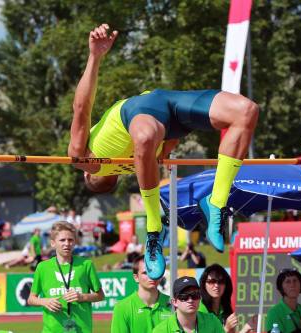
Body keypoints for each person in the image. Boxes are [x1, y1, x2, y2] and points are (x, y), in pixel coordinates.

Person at [68, 24, 259, 280]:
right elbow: (81, 107)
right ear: (89, 177)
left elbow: (82, 108)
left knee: (247, 112)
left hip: (160, 113)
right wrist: (94, 57)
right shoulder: (90, 162)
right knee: (245, 111)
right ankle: (154, 228)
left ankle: (216, 202)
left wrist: (95, 56)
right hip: (160, 113)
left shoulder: (90, 160)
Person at [28, 222, 104, 333]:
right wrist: (45, 301)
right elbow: (31, 299)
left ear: (75, 242)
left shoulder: (86, 264)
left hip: (82, 329)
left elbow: (100, 295)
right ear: (53, 243)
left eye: (70, 240)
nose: (67, 244)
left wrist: (82, 297)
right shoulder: (42, 267)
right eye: (62, 240)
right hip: (52, 330)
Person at [110, 255, 172, 332]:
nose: (152, 276)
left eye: (155, 271)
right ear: (136, 277)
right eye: (145, 272)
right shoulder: (122, 308)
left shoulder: (173, 305)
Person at [153, 276, 225, 333]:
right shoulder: (161, 330)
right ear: (174, 302)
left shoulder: (212, 322)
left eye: (195, 295)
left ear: (200, 297)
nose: (190, 300)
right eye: (184, 296)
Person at [266, 268, 301, 333]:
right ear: (281, 287)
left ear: (300, 285)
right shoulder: (274, 312)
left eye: (295, 281)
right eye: (288, 282)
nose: (292, 285)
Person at [199, 264, 238, 333]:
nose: (216, 285)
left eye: (221, 281)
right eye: (212, 281)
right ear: (204, 284)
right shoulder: (200, 310)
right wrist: (226, 329)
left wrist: (246, 329)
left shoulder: (225, 307)